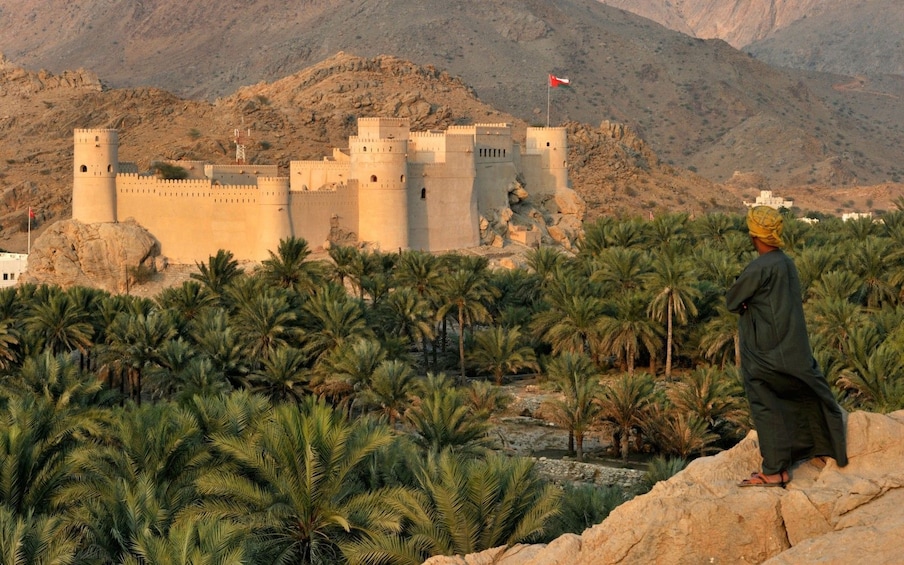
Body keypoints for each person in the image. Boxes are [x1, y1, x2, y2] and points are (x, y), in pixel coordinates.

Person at [726, 206, 847, 487]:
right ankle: (824, 449)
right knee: (807, 393)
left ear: (754, 236)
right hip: (793, 346)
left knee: (766, 404)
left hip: (763, 350)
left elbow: (732, 300)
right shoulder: (786, 263)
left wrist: (747, 302)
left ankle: (775, 471)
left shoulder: (759, 267)